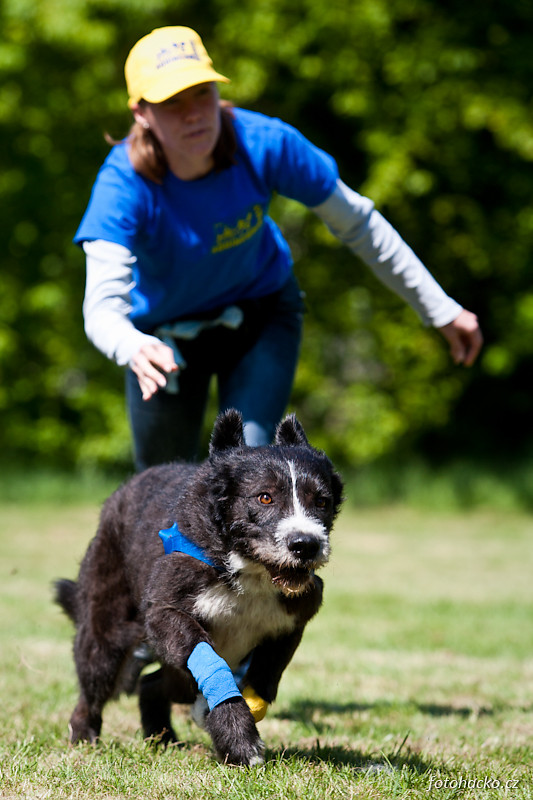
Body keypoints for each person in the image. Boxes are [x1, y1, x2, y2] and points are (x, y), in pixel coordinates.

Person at [76, 26, 483, 472]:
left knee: (247, 471)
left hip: (259, 315)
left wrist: (439, 308)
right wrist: (132, 345)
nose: (193, 114)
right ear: (141, 112)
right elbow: (102, 309)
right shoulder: (123, 185)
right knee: (159, 490)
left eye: (201, 93)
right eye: (172, 102)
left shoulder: (265, 144)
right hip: (161, 341)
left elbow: (359, 224)